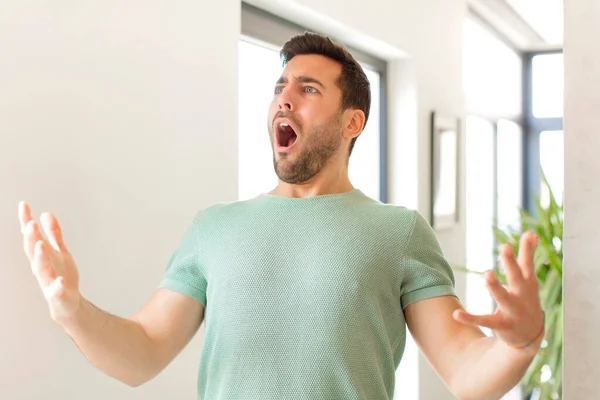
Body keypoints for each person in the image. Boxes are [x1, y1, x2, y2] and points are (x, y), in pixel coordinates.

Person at [18, 32, 544, 400]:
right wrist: (73, 311)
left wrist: (520, 343)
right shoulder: (214, 227)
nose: (284, 100)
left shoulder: (398, 231)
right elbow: (142, 355)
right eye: (279, 88)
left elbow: (465, 373)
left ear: (351, 122)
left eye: (308, 89)